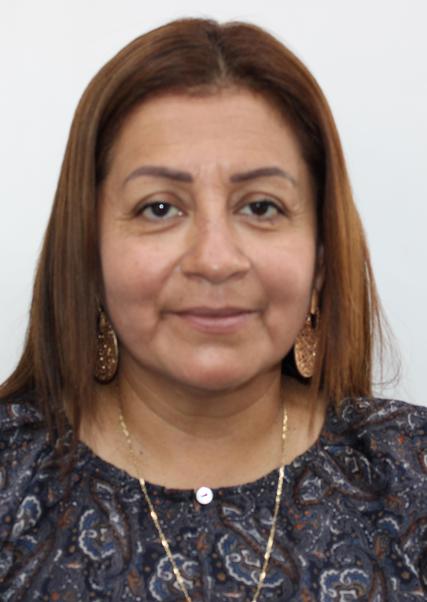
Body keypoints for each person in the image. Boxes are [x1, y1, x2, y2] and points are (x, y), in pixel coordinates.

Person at [0, 16, 426, 602]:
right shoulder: (12, 480)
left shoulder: (411, 474)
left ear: (320, 260)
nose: (215, 260)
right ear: (90, 255)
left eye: (261, 207)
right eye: (159, 208)